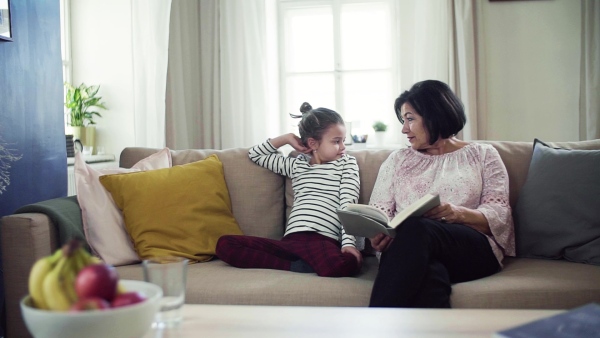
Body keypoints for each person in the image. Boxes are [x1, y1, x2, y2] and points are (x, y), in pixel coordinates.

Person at [368, 80, 515, 307]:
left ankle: (375, 322)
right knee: (429, 273)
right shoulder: (397, 161)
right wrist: (377, 234)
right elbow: (379, 212)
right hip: (408, 251)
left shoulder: (483, 155)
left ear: (434, 115)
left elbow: (500, 215)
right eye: (403, 120)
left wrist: (458, 214)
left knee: (416, 227)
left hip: (470, 250)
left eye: (410, 119)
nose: (404, 129)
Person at [216, 102, 363, 277]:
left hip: (323, 240)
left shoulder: (347, 164)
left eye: (343, 140)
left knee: (345, 264)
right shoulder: (296, 165)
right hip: (291, 242)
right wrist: (286, 138)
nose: (343, 147)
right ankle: (296, 266)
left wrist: (348, 243)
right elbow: (255, 154)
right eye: (336, 141)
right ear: (313, 143)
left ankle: (300, 265)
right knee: (225, 244)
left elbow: (348, 204)